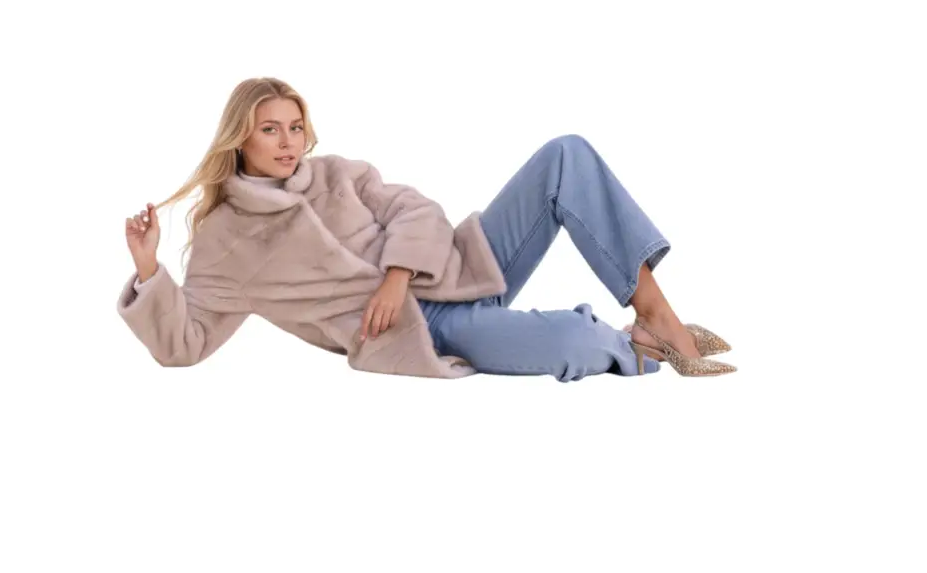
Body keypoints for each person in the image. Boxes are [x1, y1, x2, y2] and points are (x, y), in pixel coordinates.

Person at [120, 77, 736, 381]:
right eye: (270, 129)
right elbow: (184, 345)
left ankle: (657, 315)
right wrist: (150, 270)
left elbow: (415, 210)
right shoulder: (225, 241)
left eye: (295, 127)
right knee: (574, 343)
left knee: (565, 155)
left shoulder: (336, 173)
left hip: (461, 265)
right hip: (426, 328)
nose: (288, 142)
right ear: (240, 138)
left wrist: (396, 274)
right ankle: (638, 349)